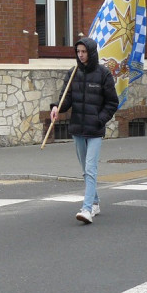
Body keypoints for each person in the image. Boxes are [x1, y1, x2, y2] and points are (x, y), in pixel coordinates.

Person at [49, 37, 119, 224]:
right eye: (78, 52)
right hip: (78, 128)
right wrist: (56, 107)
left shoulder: (103, 74)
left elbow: (112, 103)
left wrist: (100, 119)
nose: (80, 55)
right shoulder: (73, 73)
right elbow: (66, 98)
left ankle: (87, 209)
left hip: (94, 130)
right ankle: (95, 202)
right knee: (85, 169)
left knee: (90, 168)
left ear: (91, 52)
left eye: (83, 52)